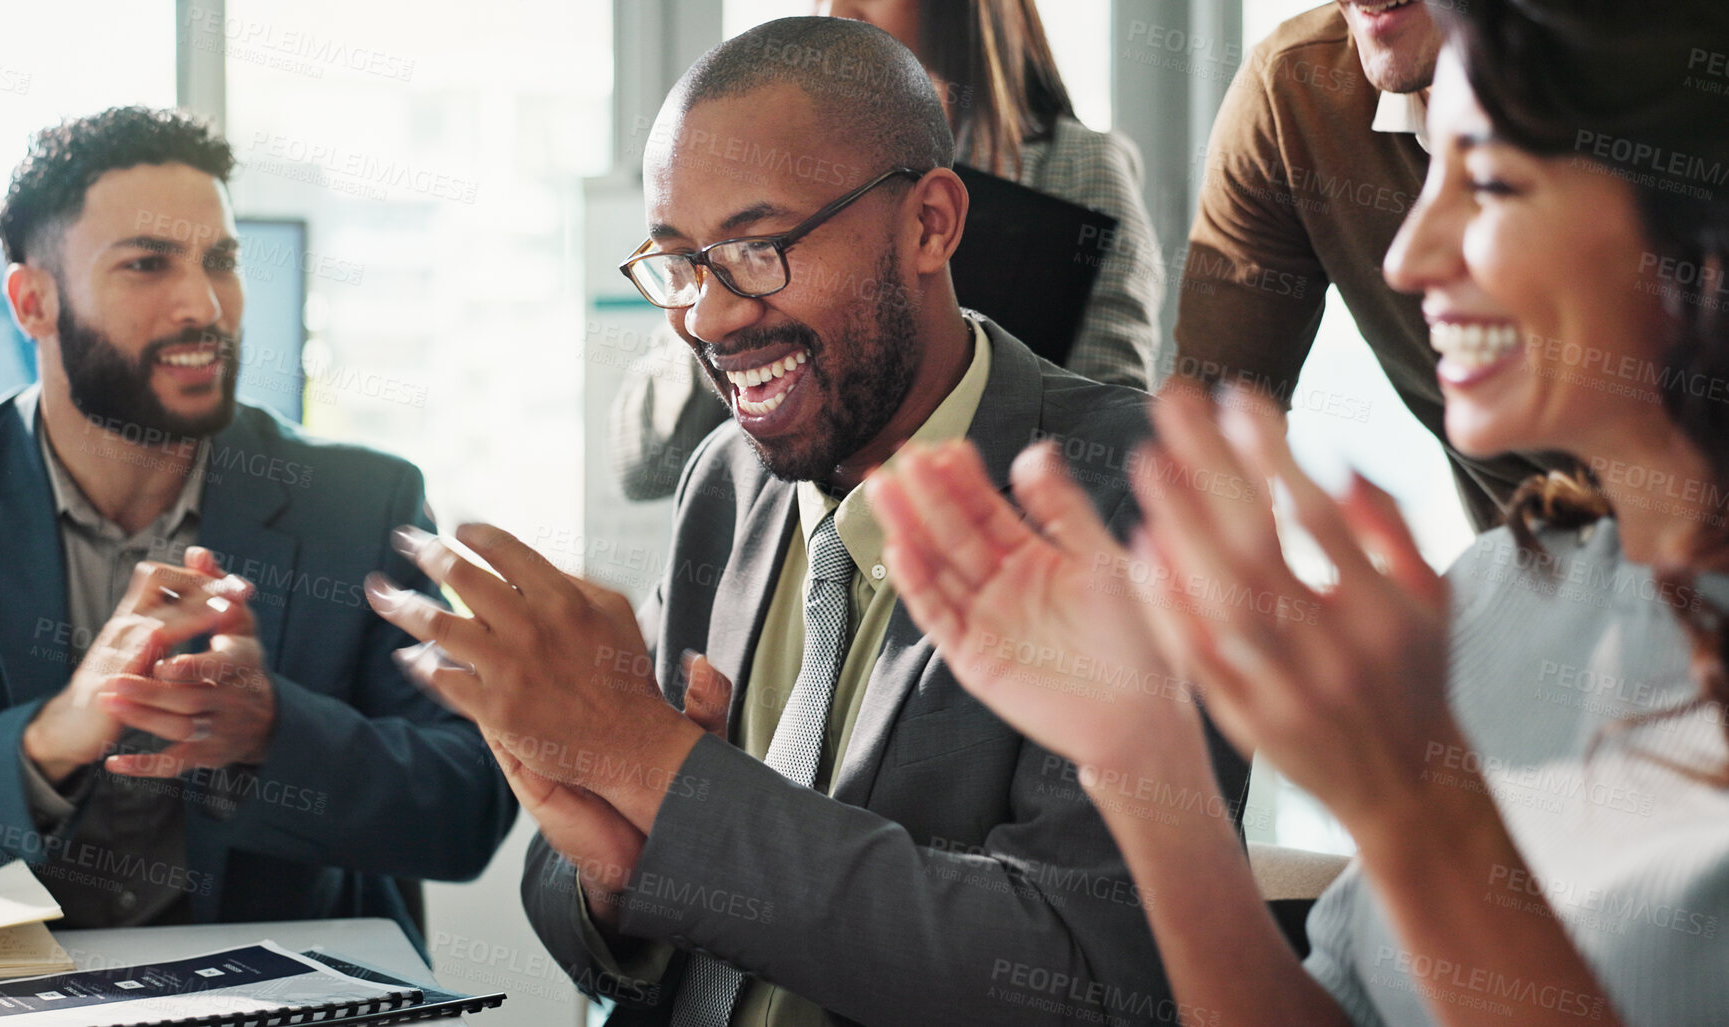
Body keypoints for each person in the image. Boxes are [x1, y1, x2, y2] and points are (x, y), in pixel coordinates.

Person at [368, 17, 1245, 1026]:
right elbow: (585, 898)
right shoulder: (727, 482)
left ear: (930, 224)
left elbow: (1086, 972)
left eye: (756, 247)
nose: (706, 316)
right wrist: (619, 877)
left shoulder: (1137, 492)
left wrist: (665, 778)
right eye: (680, 263)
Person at [874, 1, 1729, 1023]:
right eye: (1430, 166)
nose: (1408, 260)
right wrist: (1148, 764)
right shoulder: (1498, 598)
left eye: (1491, 181)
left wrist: (1415, 812)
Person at [0, 107, 516, 938]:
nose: (204, 305)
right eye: (147, 264)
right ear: (33, 303)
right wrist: (47, 739)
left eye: (222, 260)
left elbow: (468, 807)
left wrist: (269, 732)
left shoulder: (360, 498)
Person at [609, 0, 1165, 502]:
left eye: (761, 244)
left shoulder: (1077, 168)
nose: (838, 7)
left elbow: (1104, 434)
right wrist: (714, 265)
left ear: (933, 220)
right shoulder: (729, 211)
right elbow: (644, 463)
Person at [1173, 0, 1576, 531]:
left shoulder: (1658, 84)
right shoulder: (1294, 91)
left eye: (1492, 181)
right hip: (1532, 579)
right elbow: (1211, 439)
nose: (1404, 265)